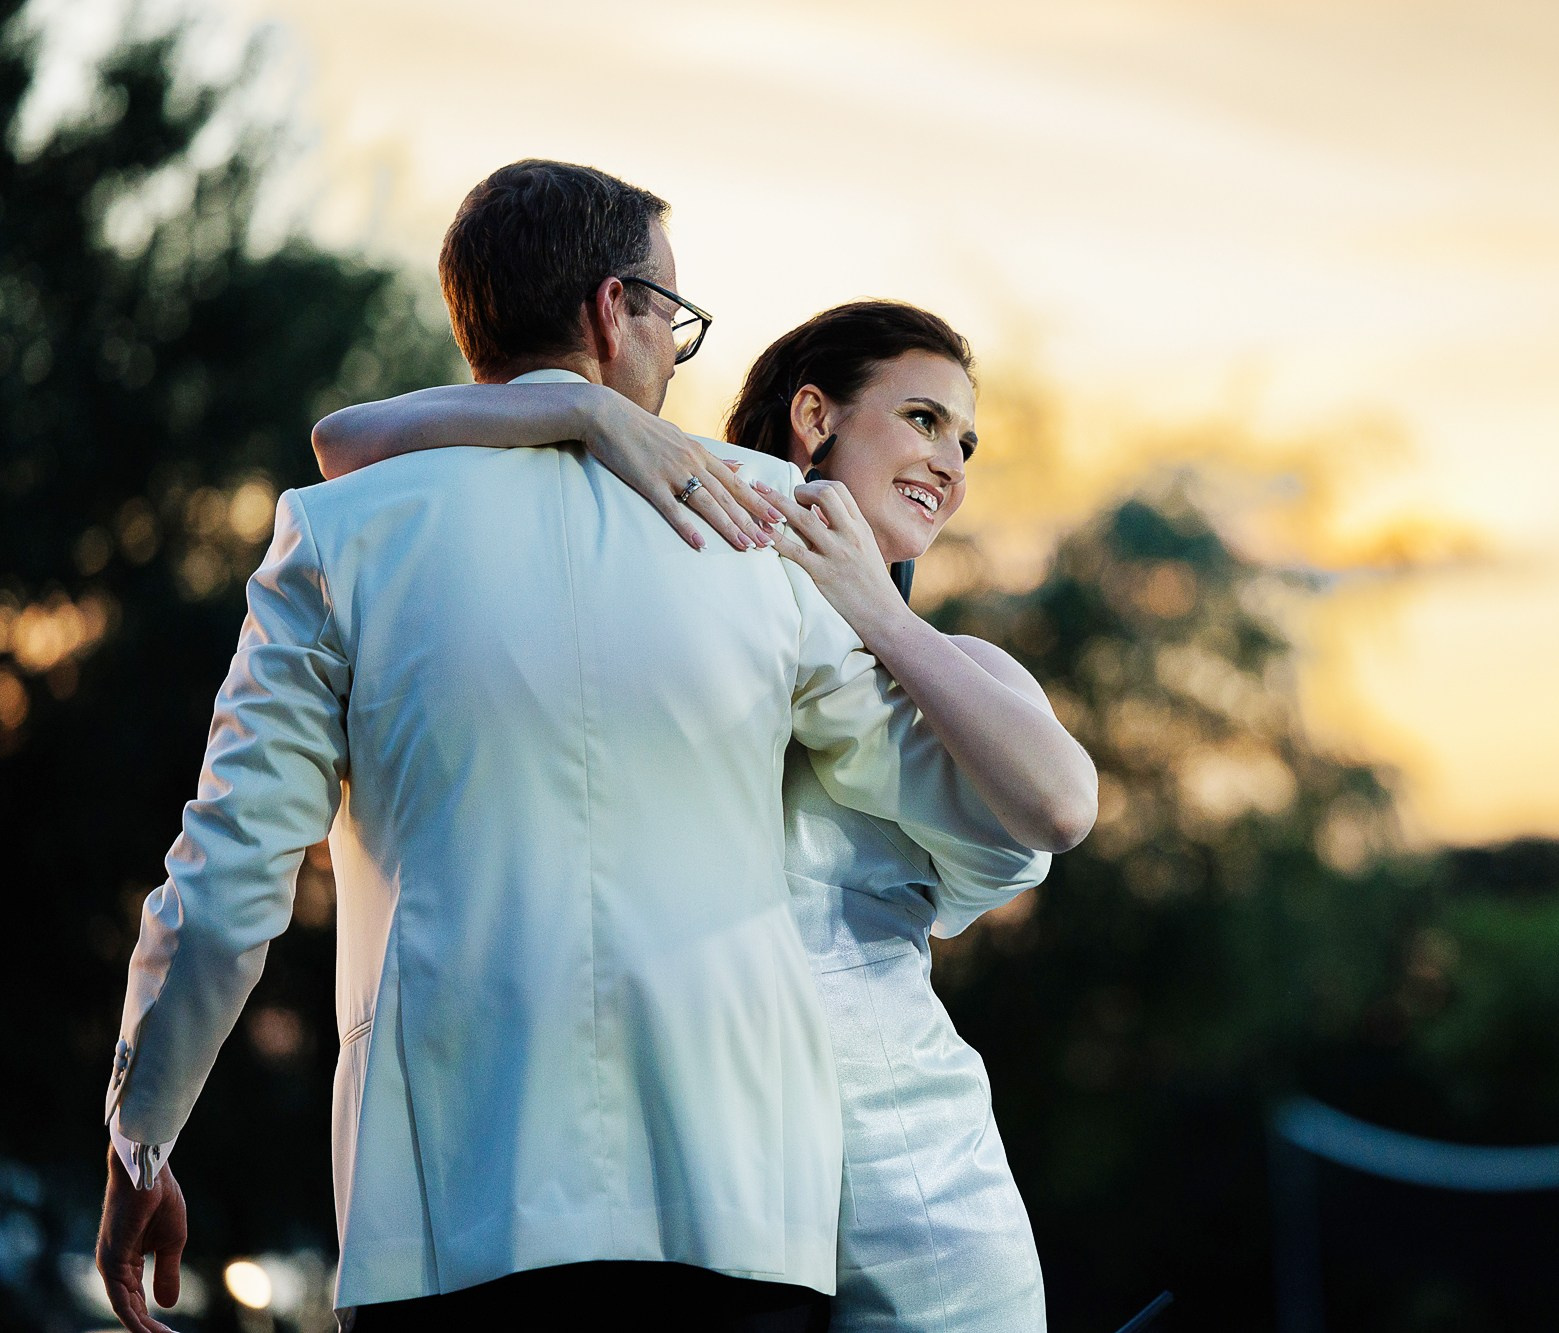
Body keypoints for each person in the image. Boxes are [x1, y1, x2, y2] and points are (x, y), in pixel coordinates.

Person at [94, 159, 1076, 1333]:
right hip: (742, 1214)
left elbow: (227, 882)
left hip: (449, 1211)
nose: (674, 358)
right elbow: (973, 798)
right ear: (616, 311)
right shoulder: (758, 525)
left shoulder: (338, 534)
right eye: (673, 319)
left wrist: (140, 1137)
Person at [308, 301, 1098, 1329]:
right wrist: (589, 416)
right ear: (813, 414)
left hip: (904, 1175)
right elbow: (342, 442)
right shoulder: (693, 579)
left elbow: (1063, 803)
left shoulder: (947, 675)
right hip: (719, 1180)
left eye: (964, 440)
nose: (949, 461)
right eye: (919, 419)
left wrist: (877, 609)